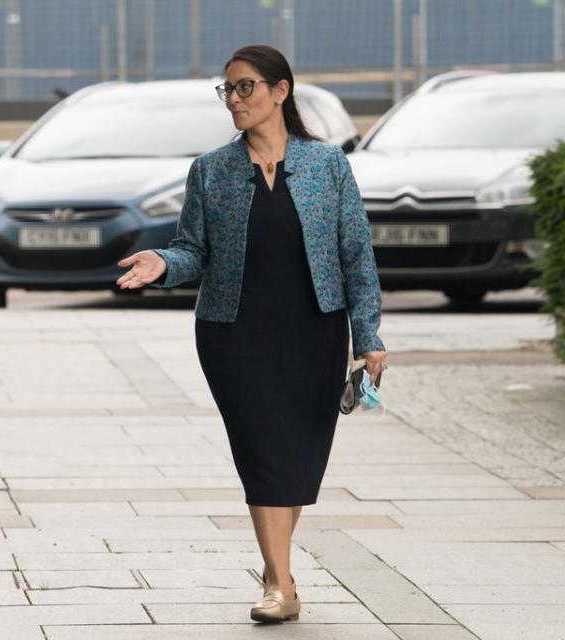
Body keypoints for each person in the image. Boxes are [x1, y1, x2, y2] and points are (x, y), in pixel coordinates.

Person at [116, 45, 387, 623]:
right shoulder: (211, 169)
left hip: (315, 330)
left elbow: (355, 254)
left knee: (298, 453)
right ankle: (282, 584)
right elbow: (193, 249)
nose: (234, 100)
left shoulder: (327, 165)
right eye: (228, 90)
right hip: (234, 333)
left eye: (245, 88)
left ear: (280, 92)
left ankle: (275, 568)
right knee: (262, 448)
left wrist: (369, 336)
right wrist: (165, 264)